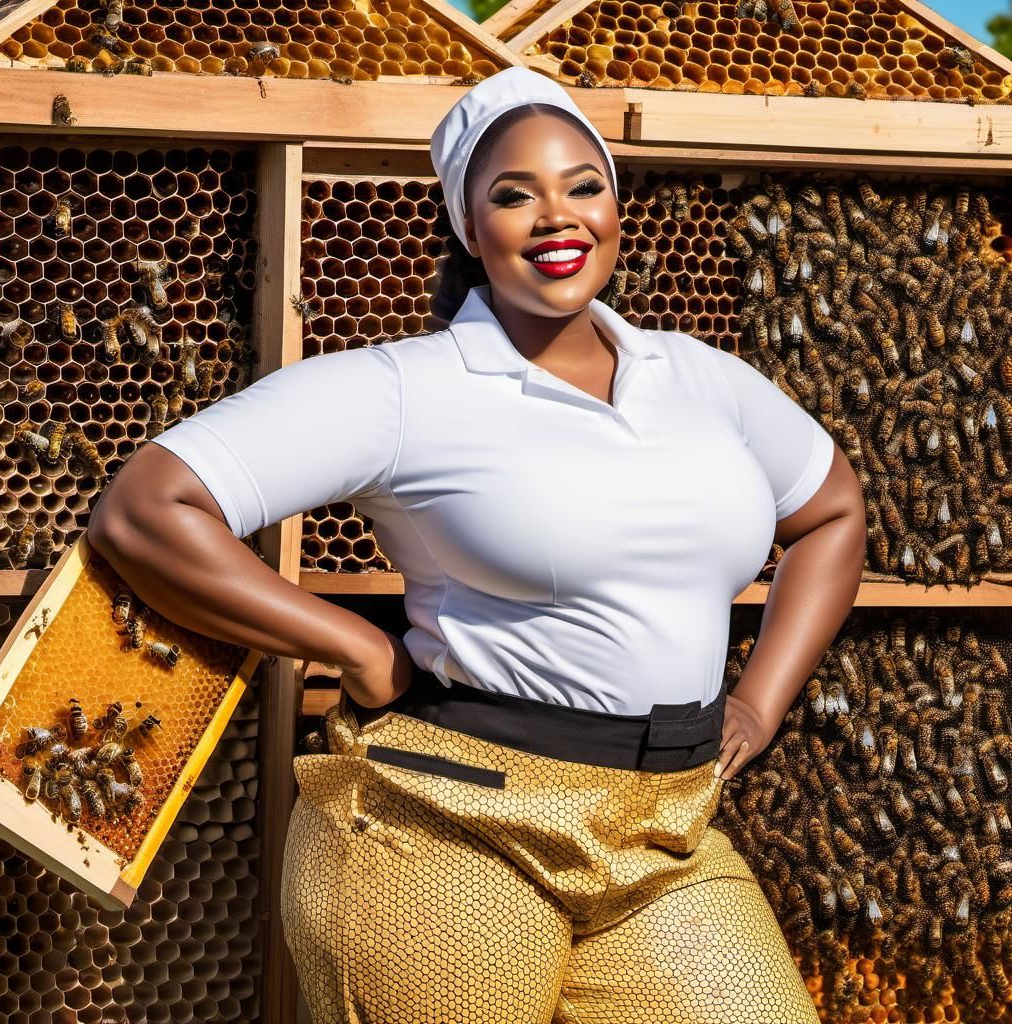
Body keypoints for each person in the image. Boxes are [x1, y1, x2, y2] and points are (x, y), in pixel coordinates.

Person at [88, 67, 867, 1024]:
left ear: (616, 203)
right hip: (446, 821)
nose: (557, 216)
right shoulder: (405, 388)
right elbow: (146, 508)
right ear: (467, 226)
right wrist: (353, 644)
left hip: (669, 831)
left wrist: (755, 701)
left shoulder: (706, 380)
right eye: (513, 195)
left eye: (584, 184)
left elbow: (834, 514)